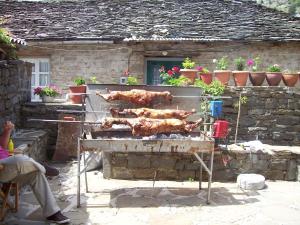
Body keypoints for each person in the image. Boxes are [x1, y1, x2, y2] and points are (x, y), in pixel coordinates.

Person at [0, 121, 70, 224]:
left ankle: (52, 213)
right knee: (20, 159)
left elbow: (3, 148)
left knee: (36, 174)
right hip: (2, 169)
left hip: (8, 168)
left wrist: (7, 131)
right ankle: (43, 167)